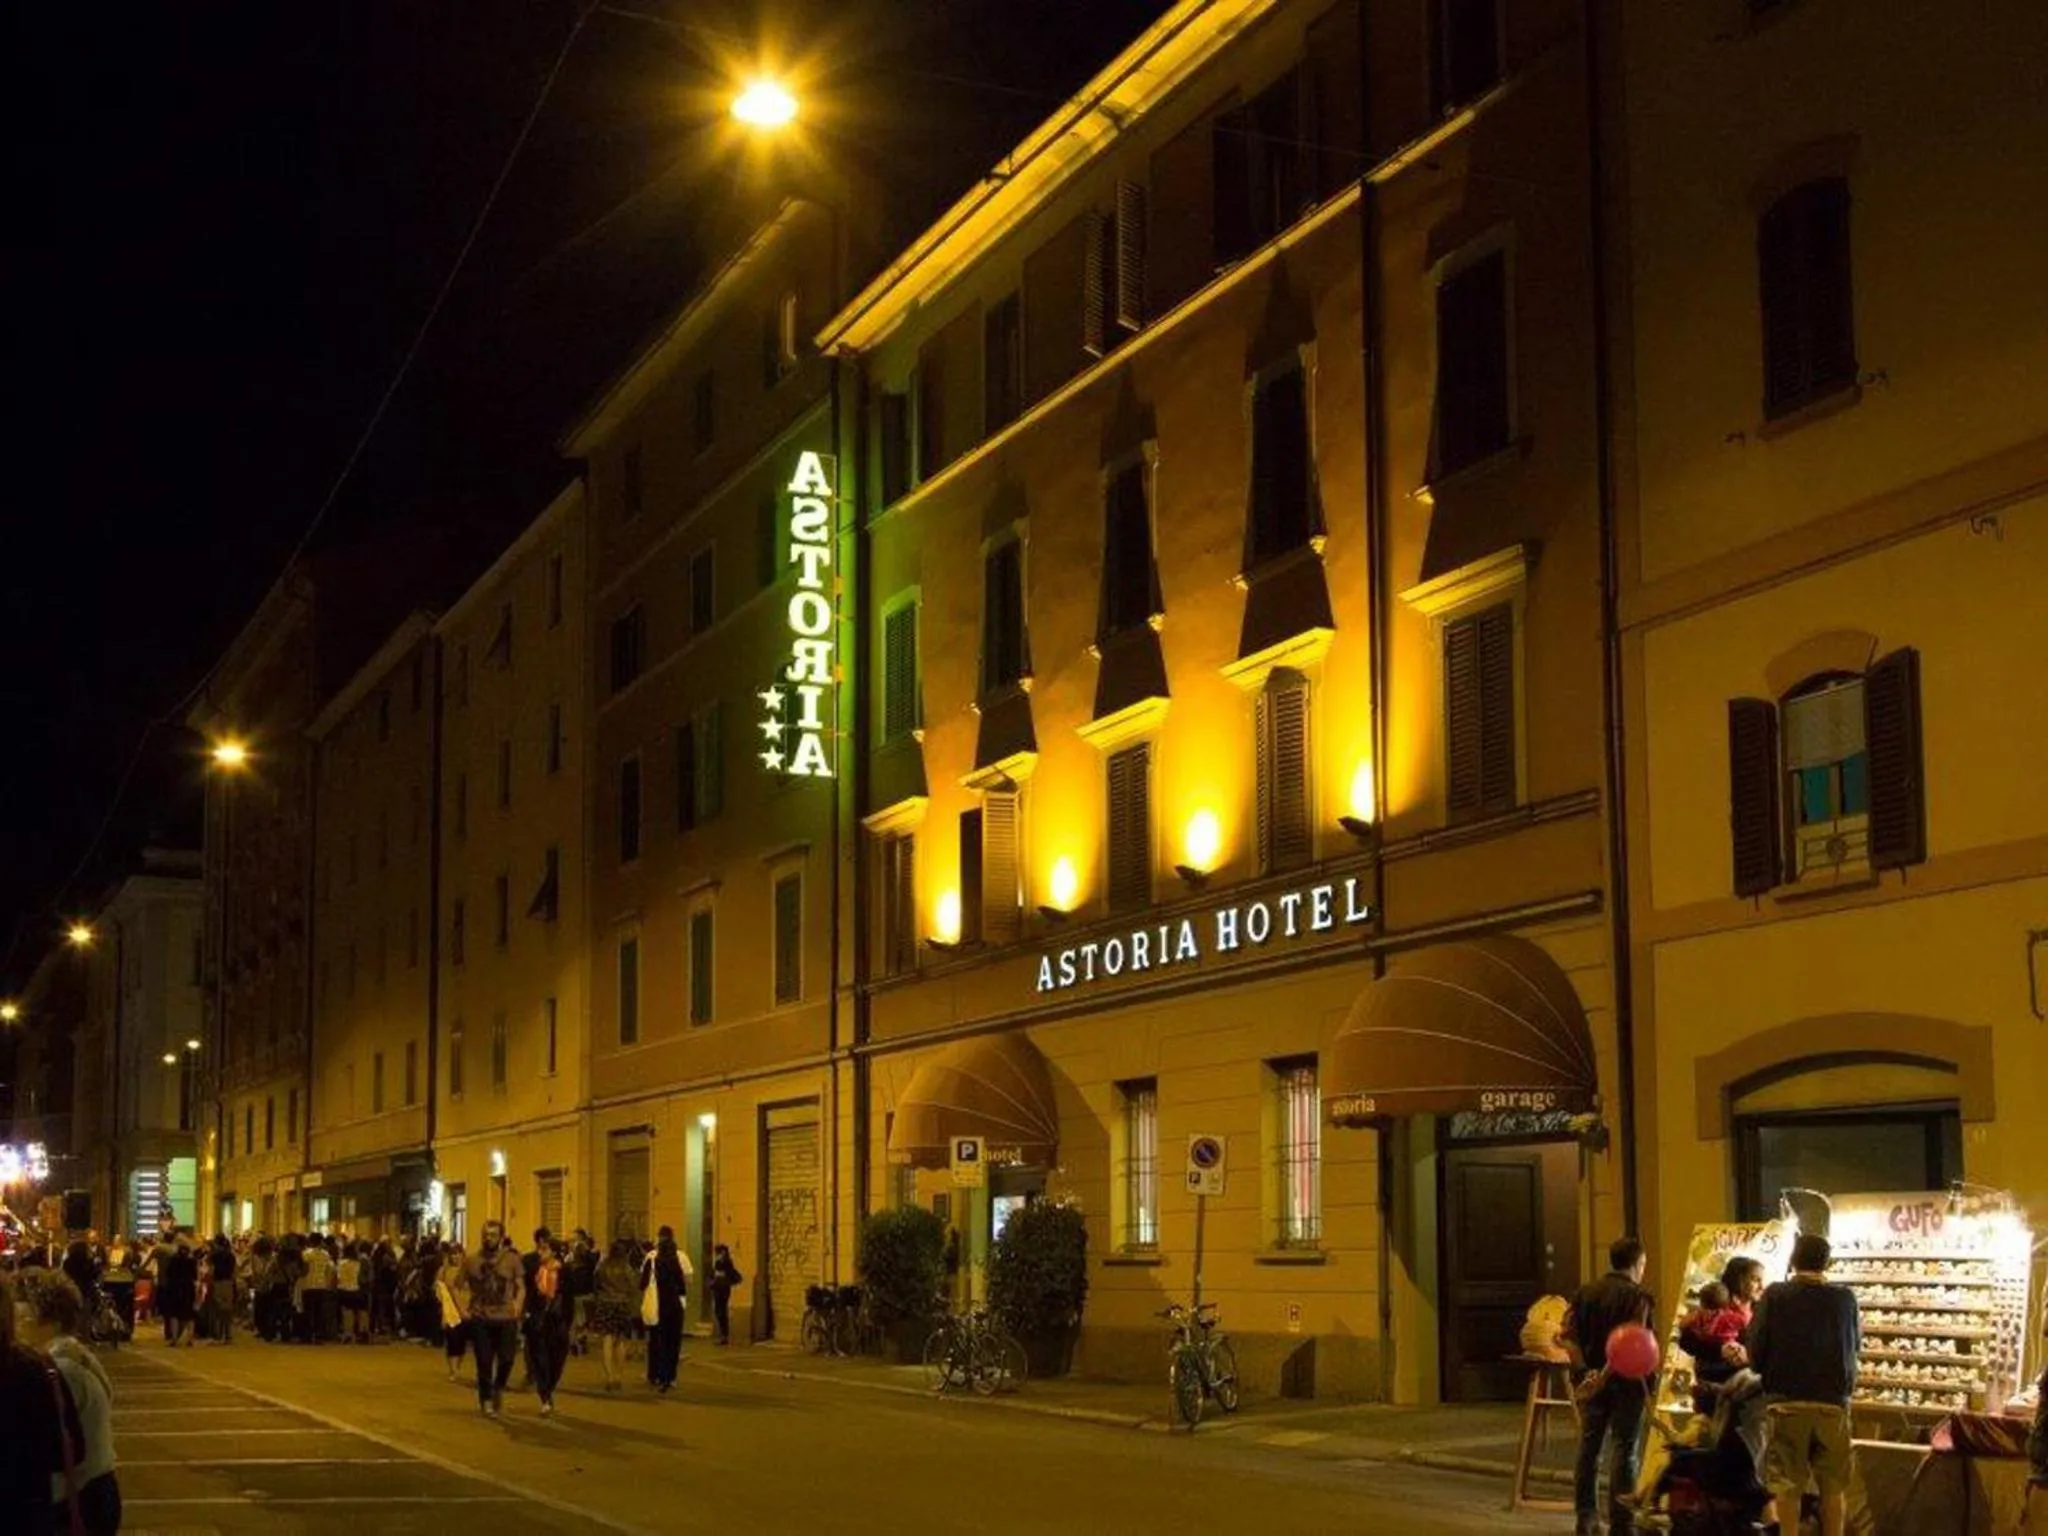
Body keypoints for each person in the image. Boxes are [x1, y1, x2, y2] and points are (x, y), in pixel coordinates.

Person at [1745, 1233, 1860, 1536]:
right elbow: (1855, 1347)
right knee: (1833, 1488)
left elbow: (1755, 1351)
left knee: (1787, 1485)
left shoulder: (1775, 1295)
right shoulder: (1845, 1299)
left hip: (1786, 1402)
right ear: (1827, 1263)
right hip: (1833, 1404)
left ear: (1793, 1261)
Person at [1563, 1236, 1655, 1536]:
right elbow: (1630, 1340)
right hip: (1626, 1384)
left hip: (1591, 1384)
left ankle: (1586, 1516)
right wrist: (1602, 1375)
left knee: (1589, 1448)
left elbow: (1569, 1337)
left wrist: (1584, 1373)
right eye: (1643, 1264)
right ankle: (1621, 1521)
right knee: (1625, 1450)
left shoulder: (1585, 1293)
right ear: (1637, 1263)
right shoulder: (1637, 1297)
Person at [20, 1272, 122, 1534]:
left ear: (47, 1320)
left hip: (75, 1501)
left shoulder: (59, 1371)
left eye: (22, 1318)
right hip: (97, 1491)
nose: (17, 1328)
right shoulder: (79, 1357)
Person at [464, 1221, 525, 1418]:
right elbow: (457, 1284)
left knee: (507, 1359)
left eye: (493, 1235)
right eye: (486, 1234)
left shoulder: (512, 1259)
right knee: (484, 1361)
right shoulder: (472, 1260)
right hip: (481, 1317)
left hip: (506, 1317)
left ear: (500, 1237)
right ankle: (486, 1400)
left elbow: (521, 1286)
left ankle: (498, 1386)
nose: (488, 1238)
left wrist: (518, 1303)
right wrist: (462, 1307)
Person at [522, 1229, 570, 1417]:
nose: (539, 1253)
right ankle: (545, 1397)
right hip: (537, 1320)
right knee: (541, 1360)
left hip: (558, 1322)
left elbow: (569, 1298)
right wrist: (525, 1312)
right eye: (539, 1249)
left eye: (544, 1250)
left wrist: (569, 1321)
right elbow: (526, 1292)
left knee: (557, 1360)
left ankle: (549, 1388)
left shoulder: (565, 1271)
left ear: (554, 1252)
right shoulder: (533, 1269)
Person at [589, 1239, 640, 1392]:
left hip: (605, 1304)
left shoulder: (603, 1266)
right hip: (622, 1304)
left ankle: (609, 1377)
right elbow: (633, 1287)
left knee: (607, 1340)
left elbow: (595, 1284)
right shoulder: (626, 1268)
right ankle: (619, 1376)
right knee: (620, 1341)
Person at [644, 1226, 687, 1393]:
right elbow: (682, 1286)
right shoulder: (675, 1262)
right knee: (673, 1342)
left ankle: (660, 1375)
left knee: (658, 1341)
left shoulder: (652, 1261)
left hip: (657, 1306)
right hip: (674, 1306)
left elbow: (642, 1283)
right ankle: (671, 1376)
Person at [436, 1243, 471, 1381]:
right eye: (453, 1254)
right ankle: (453, 1369)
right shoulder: (444, 1271)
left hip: (466, 1310)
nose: (455, 1257)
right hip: (450, 1311)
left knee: (462, 1341)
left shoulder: (468, 1271)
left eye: (458, 1253)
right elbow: (439, 1290)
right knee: (452, 1340)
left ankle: (457, 1366)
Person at [157, 1235, 200, 1348]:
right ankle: (190, 1339)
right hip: (188, 1288)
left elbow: (169, 1274)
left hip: (175, 1288)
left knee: (174, 1314)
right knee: (189, 1315)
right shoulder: (192, 1261)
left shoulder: (173, 1260)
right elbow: (195, 1277)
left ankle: (175, 1339)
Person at [205, 1234, 237, 1345]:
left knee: (217, 1310)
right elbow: (234, 1272)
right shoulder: (231, 1255)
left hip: (218, 1283)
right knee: (227, 1310)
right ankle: (228, 1335)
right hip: (228, 1283)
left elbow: (210, 1269)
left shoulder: (214, 1256)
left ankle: (218, 1335)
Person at [710, 1243, 743, 1346]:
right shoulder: (719, 1261)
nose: (716, 1254)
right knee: (718, 1310)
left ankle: (724, 1335)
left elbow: (726, 1272)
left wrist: (720, 1274)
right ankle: (723, 1334)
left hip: (723, 1289)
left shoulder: (726, 1261)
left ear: (723, 1252)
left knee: (721, 1310)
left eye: (718, 1252)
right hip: (718, 1288)